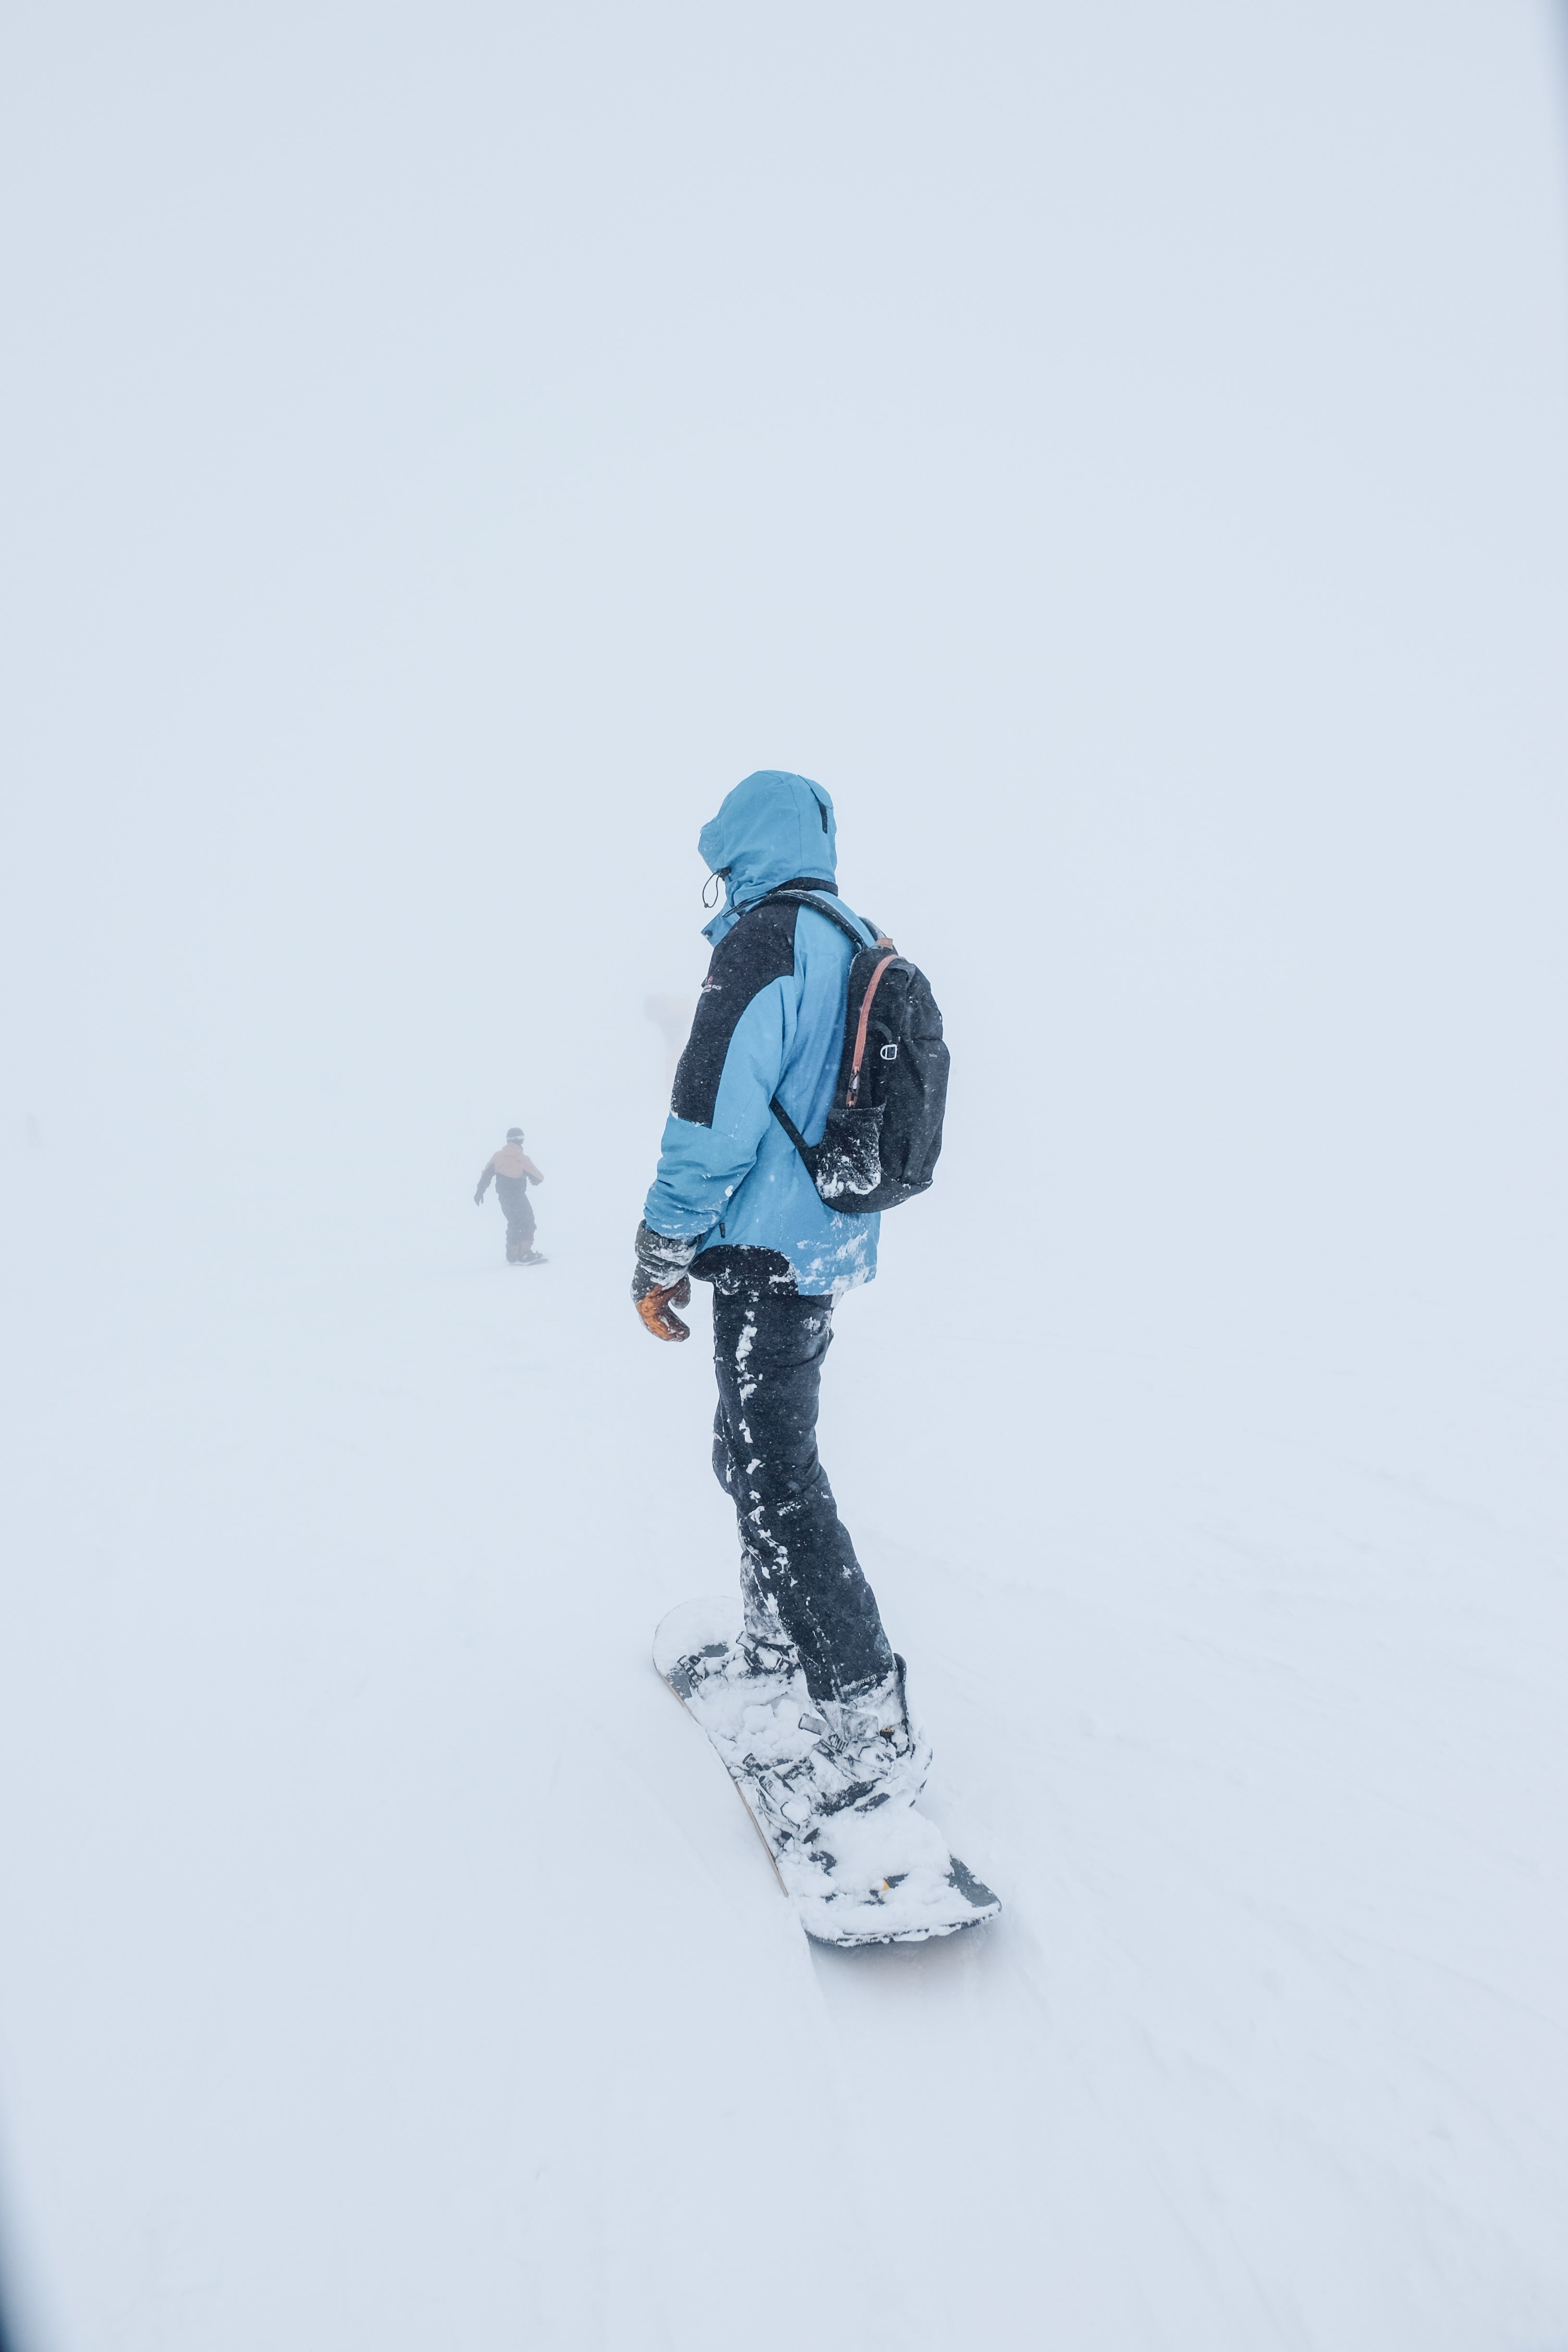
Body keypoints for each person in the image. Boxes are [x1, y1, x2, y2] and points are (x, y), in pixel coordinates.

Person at [632, 769, 926, 1805]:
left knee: (776, 1474)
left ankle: (863, 1713)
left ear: (739, 851)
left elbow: (711, 1117)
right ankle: (772, 1635)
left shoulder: (765, 942)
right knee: (753, 1451)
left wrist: (662, 1247)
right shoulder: (851, 936)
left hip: (765, 1253)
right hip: (827, 1242)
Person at [475, 1128, 545, 1264]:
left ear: (508, 1140)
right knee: (528, 1221)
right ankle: (524, 1253)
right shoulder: (522, 1159)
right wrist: (532, 1178)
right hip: (519, 1197)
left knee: (513, 1222)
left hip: (504, 1198)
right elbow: (539, 1177)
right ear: (521, 1141)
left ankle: (512, 1254)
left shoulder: (498, 1157)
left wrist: (480, 1191)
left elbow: (486, 1175)